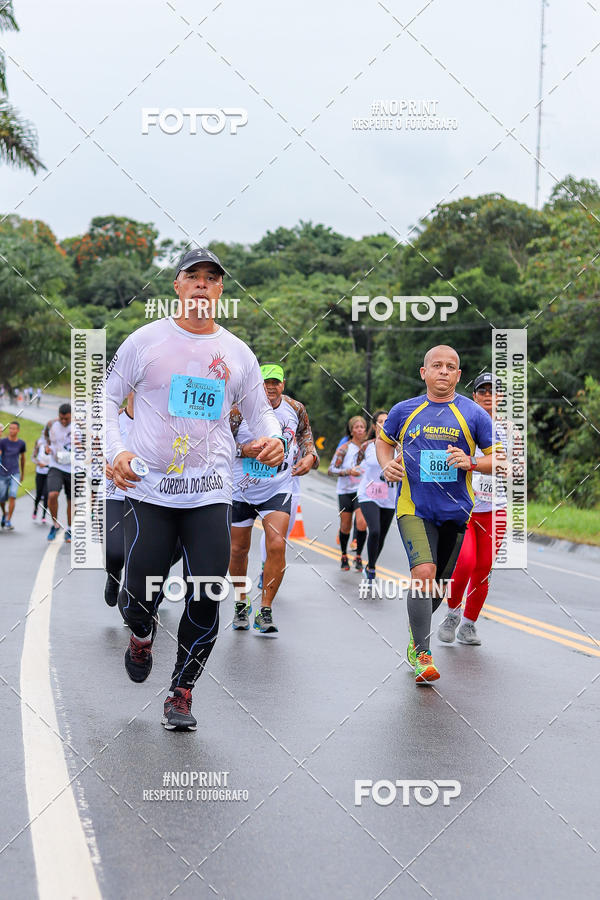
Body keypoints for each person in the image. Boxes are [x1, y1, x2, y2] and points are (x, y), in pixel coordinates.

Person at [106, 248, 284, 732]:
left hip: (210, 492)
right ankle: (141, 632)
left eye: (212, 278)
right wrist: (115, 451)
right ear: (178, 286)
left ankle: (181, 691)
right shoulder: (145, 342)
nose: (203, 284)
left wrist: (272, 438)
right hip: (151, 490)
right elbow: (104, 398)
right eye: (194, 276)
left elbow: (260, 413)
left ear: (221, 291)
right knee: (140, 592)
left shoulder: (237, 353)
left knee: (207, 593)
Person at [376, 345, 501, 685]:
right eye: (437, 366)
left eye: (451, 367)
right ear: (424, 372)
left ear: (459, 375)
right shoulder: (405, 410)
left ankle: (415, 636)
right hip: (414, 510)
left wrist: (471, 461)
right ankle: (423, 654)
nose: (444, 371)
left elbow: (498, 459)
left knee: (437, 586)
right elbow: (383, 439)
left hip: (456, 513)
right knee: (424, 572)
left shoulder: (474, 414)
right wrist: (385, 462)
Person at [229, 363, 318, 633]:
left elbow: (305, 436)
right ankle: (241, 603)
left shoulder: (296, 408)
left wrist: (311, 457)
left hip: (277, 485)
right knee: (238, 549)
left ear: (283, 384)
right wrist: (245, 450)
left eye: (275, 382)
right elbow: (219, 442)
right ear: (257, 383)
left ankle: (265, 610)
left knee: (277, 545)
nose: (270, 387)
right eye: (265, 382)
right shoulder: (237, 408)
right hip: (239, 487)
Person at [437, 372, 508, 645]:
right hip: (464, 507)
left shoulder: (509, 429)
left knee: (484, 567)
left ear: (500, 397)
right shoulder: (462, 420)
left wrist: (479, 462)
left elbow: (511, 465)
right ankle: (452, 614)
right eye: (482, 391)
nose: (488, 395)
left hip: (495, 508)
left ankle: (468, 625)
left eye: (493, 391)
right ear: (475, 395)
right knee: (464, 563)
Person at [356, 411, 396, 581]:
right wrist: (352, 471)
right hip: (368, 494)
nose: (383, 424)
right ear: (374, 426)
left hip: (390, 497)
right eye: (380, 421)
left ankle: (370, 563)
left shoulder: (399, 447)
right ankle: (371, 568)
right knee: (375, 530)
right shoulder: (367, 446)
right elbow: (356, 464)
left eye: (387, 421)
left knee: (382, 536)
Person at [328, 416, 368, 571]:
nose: (359, 429)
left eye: (362, 427)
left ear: (365, 430)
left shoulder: (369, 448)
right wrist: (348, 471)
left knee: (362, 523)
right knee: (345, 526)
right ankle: (344, 554)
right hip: (345, 491)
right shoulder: (344, 448)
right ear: (351, 431)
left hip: (361, 491)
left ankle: (358, 556)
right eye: (356, 427)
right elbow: (331, 470)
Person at [46, 403, 73, 542]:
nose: (63, 421)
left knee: (71, 500)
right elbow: (46, 436)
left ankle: (70, 529)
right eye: (61, 418)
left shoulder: (79, 427)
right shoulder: (52, 424)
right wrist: (47, 447)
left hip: (74, 468)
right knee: (52, 494)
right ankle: (55, 524)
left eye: (66, 419)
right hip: (56, 465)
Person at [0, 421, 26, 530]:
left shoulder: (21, 443)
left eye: (14, 428)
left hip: (15, 472)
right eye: (10, 428)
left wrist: (22, 473)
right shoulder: (3, 442)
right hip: (2, 473)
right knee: (1, 498)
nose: (11, 430)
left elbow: (23, 458)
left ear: (18, 430)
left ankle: (8, 520)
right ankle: (5, 513)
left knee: (13, 494)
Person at [32, 423, 52, 523]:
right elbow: (33, 457)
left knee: (46, 494)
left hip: (49, 473)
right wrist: (38, 463)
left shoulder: (53, 444)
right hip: (40, 472)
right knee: (39, 494)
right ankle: (35, 509)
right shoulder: (38, 443)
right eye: (44, 434)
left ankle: (44, 515)